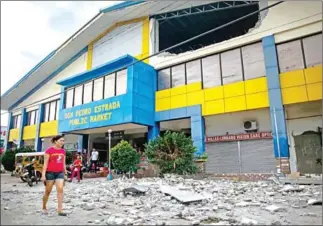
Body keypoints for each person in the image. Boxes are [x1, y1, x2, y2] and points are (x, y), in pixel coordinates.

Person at [41, 135, 67, 216]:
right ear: (55, 141)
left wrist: (65, 173)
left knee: (60, 190)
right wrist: (43, 175)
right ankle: (44, 207)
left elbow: (63, 163)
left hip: (60, 173)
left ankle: (60, 210)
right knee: (48, 191)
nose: (62, 142)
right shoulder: (49, 150)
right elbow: (45, 164)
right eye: (61, 140)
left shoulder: (63, 151)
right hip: (50, 173)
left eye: (63, 141)